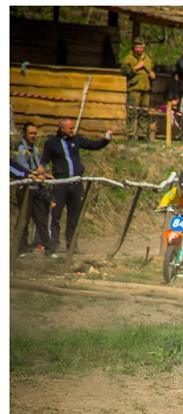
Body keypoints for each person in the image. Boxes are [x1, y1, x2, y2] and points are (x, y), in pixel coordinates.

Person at [37, 119, 112, 252]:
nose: (73, 130)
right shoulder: (51, 143)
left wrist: (105, 139)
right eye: (70, 128)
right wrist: (42, 171)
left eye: (73, 128)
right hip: (60, 184)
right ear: (62, 129)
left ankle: (71, 245)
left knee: (74, 216)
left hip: (76, 184)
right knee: (55, 215)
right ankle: (54, 244)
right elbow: (44, 161)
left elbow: (93, 145)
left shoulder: (76, 139)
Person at [14, 123, 57, 257]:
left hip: (37, 187)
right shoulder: (20, 149)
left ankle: (49, 249)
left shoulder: (35, 149)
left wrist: (44, 174)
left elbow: (38, 167)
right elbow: (23, 168)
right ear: (25, 134)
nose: (34, 136)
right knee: (24, 220)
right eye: (31, 133)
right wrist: (36, 174)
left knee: (41, 219)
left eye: (35, 133)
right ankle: (20, 248)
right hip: (26, 189)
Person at [120, 37, 156, 141]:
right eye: (137, 47)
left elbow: (151, 70)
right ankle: (130, 134)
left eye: (140, 47)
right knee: (132, 111)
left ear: (144, 47)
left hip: (146, 88)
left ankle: (142, 134)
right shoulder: (129, 58)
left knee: (144, 112)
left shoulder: (148, 59)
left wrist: (152, 75)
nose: (138, 49)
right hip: (134, 88)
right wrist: (136, 67)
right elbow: (124, 71)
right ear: (134, 47)